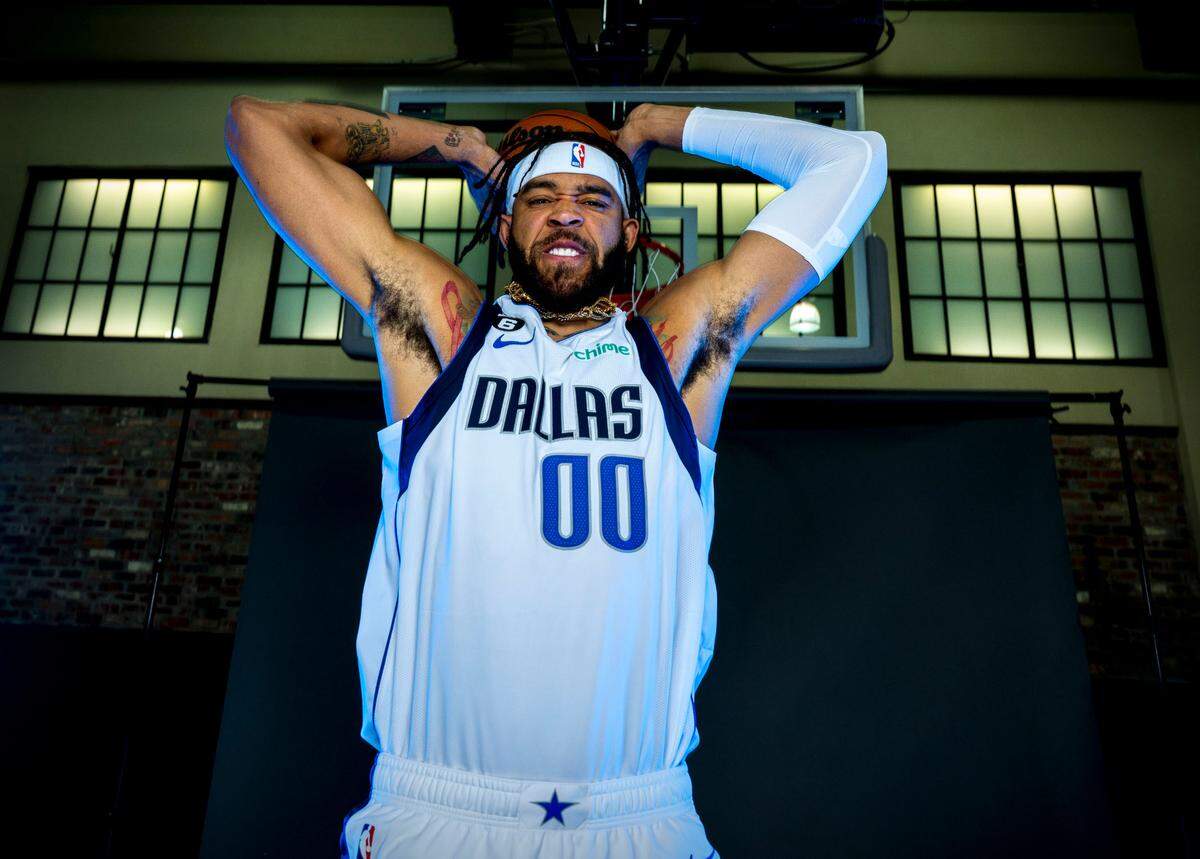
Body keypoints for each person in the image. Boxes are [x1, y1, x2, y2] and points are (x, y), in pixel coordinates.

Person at [225, 96, 886, 858]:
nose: (566, 214)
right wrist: (458, 145)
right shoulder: (444, 333)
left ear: (630, 230)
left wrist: (654, 125)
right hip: (434, 805)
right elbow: (259, 126)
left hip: (638, 814)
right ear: (504, 223)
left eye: (594, 199)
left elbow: (853, 160)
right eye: (539, 197)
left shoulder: (676, 349)